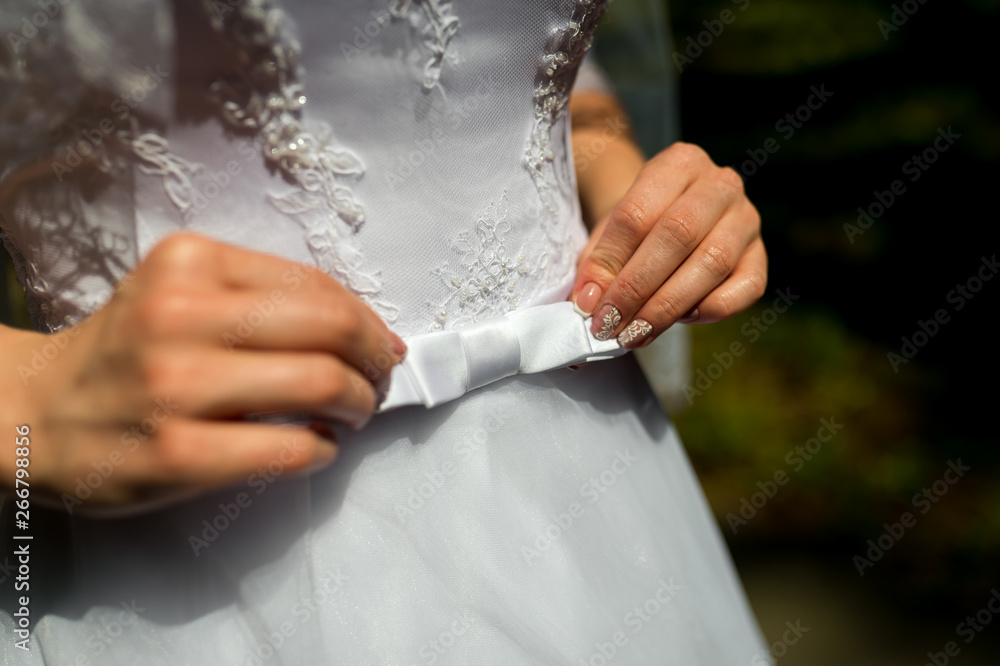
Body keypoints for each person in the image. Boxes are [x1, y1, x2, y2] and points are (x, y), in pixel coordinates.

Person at [0, 0, 769, 663]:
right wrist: (22, 399)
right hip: (195, 537)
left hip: (602, 485)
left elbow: (532, 64)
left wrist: (624, 181)